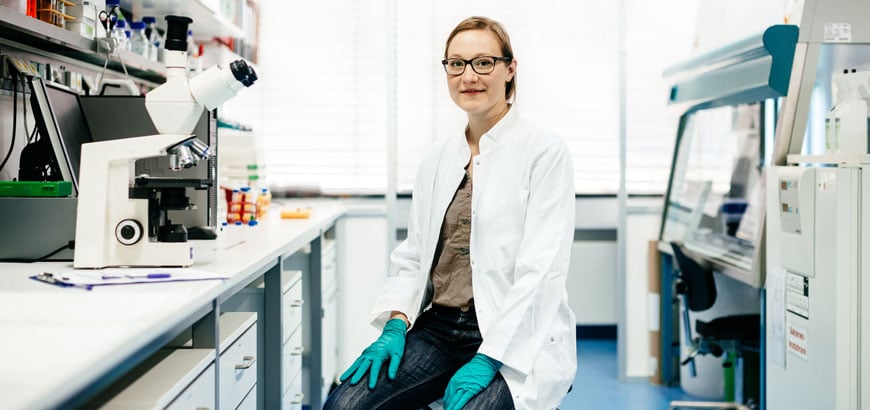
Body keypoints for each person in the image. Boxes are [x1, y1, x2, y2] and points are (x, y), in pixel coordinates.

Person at [324, 15, 576, 410]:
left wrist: (491, 356)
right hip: (440, 328)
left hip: (513, 333)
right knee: (345, 405)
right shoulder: (437, 159)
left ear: (510, 70)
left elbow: (541, 272)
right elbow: (414, 254)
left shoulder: (543, 152)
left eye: (483, 62)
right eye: (456, 63)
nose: (468, 75)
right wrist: (395, 323)